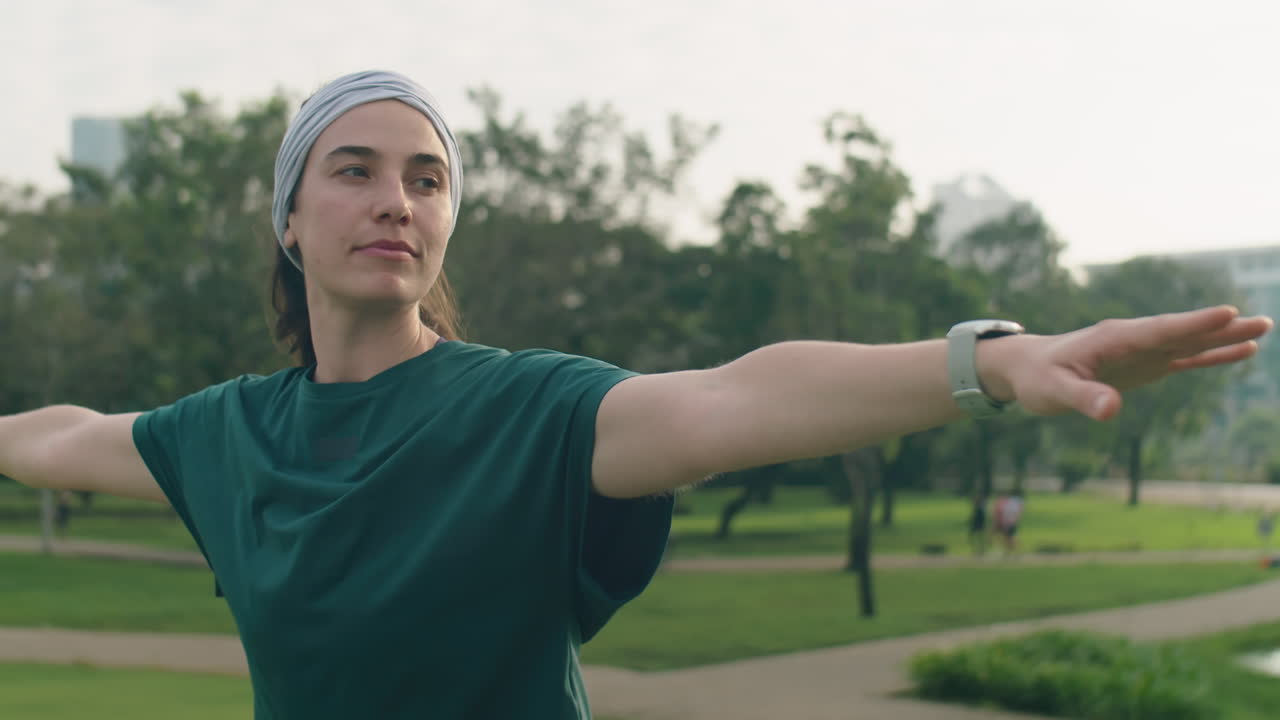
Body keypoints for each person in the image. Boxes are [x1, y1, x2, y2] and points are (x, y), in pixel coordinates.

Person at [0, 69, 1271, 719]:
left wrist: (984, 361)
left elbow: (731, 400)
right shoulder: (229, 435)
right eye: (355, 169)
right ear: (287, 218)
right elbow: (61, 438)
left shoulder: (525, 413)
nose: (398, 198)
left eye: (429, 178)